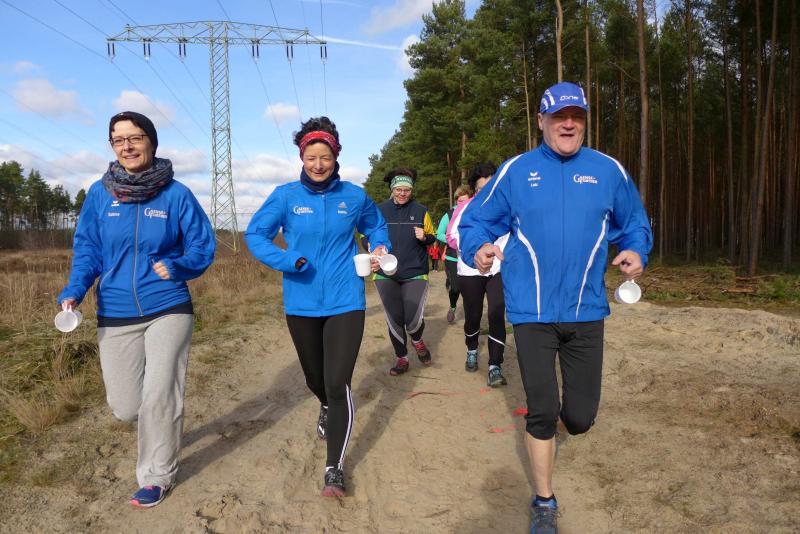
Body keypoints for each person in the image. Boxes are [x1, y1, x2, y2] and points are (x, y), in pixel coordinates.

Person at [458, 82, 653, 533]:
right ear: (541, 121)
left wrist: (635, 250)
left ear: (584, 121)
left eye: (576, 116)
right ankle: (544, 500)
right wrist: (479, 247)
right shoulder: (517, 171)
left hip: (586, 310)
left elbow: (634, 224)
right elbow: (475, 221)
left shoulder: (608, 170)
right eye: (559, 116)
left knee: (580, 418)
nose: (568, 124)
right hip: (532, 312)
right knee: (542, 409)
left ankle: (563, 424)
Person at [58, 111, 216, 508]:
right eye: (118, 139)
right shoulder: (100, 194)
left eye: (135, 137)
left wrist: (178, 266)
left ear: (151, 142)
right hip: (115, 310)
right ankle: (162, 432)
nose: (127, 146)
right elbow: (88, 249)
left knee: (161, 394)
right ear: (112, 146)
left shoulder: (176, 194)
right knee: (127, 407)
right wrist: (75, 289)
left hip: (168, 304)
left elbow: (202, 246)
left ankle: (156, 475)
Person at [244, 116, 390, 498]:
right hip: (301, 300)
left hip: (346, 300)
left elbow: (376, 226)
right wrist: (286, 260)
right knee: (315, 378)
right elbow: (255, 234)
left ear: (336, 156)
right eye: (311, 158)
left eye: (325, 157)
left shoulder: (354, 196)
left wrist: (379, 247)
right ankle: (324, 403)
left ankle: (333, 469)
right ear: (302, 157)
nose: (318, 164)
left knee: (338, 381)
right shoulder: (285, 196)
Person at [366, 168, 438, 376]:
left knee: (413, 320)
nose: (403, 193)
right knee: (394, 318)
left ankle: (417, 339)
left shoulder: (421, 210)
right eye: (399, 189)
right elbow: (366, 234)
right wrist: (371, 246)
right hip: (384, 272)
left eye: (407, 190)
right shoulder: (379, 210)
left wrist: (424, 237)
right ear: (392, 189)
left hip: (415, 272)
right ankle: (402, 357)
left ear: (411, 190)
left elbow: (433, 236)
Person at [446, 162, 509, 388]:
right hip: (470, 269)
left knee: (496, 313)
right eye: (482, 189)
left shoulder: (507, 207)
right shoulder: (465, 208)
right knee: (473, 314)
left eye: (492, 187)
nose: (488, 193)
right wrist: (477, 248)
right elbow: (451, 236)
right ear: (475, 190)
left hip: (498, 269)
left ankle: (495, 365)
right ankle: (472, 349)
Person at [437, 185, 471, 324]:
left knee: (470, 290)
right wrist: (454, 241)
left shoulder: (474, 212)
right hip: (452, 257)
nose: (462, 204)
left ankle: (472, 319)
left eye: (465, 201)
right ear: (456, 200)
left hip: (469, 257)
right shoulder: (449, 214)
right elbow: (439, 234)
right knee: (455, 288)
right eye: (459, 201)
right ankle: (452, 306)